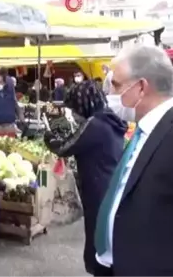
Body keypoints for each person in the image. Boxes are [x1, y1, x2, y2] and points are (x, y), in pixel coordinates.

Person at [94, 45, 173, 277]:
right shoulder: (144, 130)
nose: (110, 92)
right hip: (115, 265)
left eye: (117, 85)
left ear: (141, 87)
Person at [43, 80, 126, 275]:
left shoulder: (95, 124)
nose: (74, 113)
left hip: (97, 188)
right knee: (105, 236)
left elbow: (65, 147)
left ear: (83, 105)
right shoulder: (109, 118)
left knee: (97, 239)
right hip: (109, 183)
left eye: (75, 109)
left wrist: (49, 135)